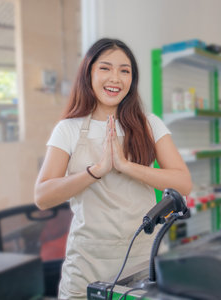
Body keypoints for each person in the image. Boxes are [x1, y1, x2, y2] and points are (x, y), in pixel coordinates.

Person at [34, 38, 192, 299]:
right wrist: (96, 170)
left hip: (143, 261)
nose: (115, 78)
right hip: (87, 263)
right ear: (89, 73)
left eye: (125, 70)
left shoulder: (149, 125)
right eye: (105, 68)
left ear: (132, 79)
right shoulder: (69, 129)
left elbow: (183, 183)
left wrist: (126, 166)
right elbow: (43, 196)